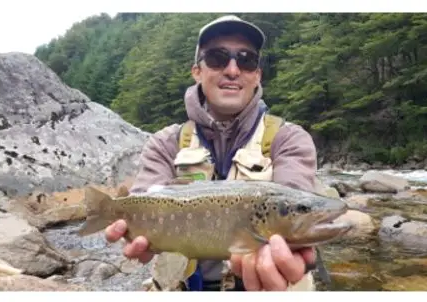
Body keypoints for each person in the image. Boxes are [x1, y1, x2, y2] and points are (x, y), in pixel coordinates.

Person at [101, 15, 320, 291]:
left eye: (246, 60)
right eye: (217, 58)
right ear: (197, 71)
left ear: (257, 75)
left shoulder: (288, 139)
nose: (232, 70)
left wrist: (296, 247)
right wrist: (129, 228)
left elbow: (294, 199)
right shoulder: (165, 143)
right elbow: (144, 198)